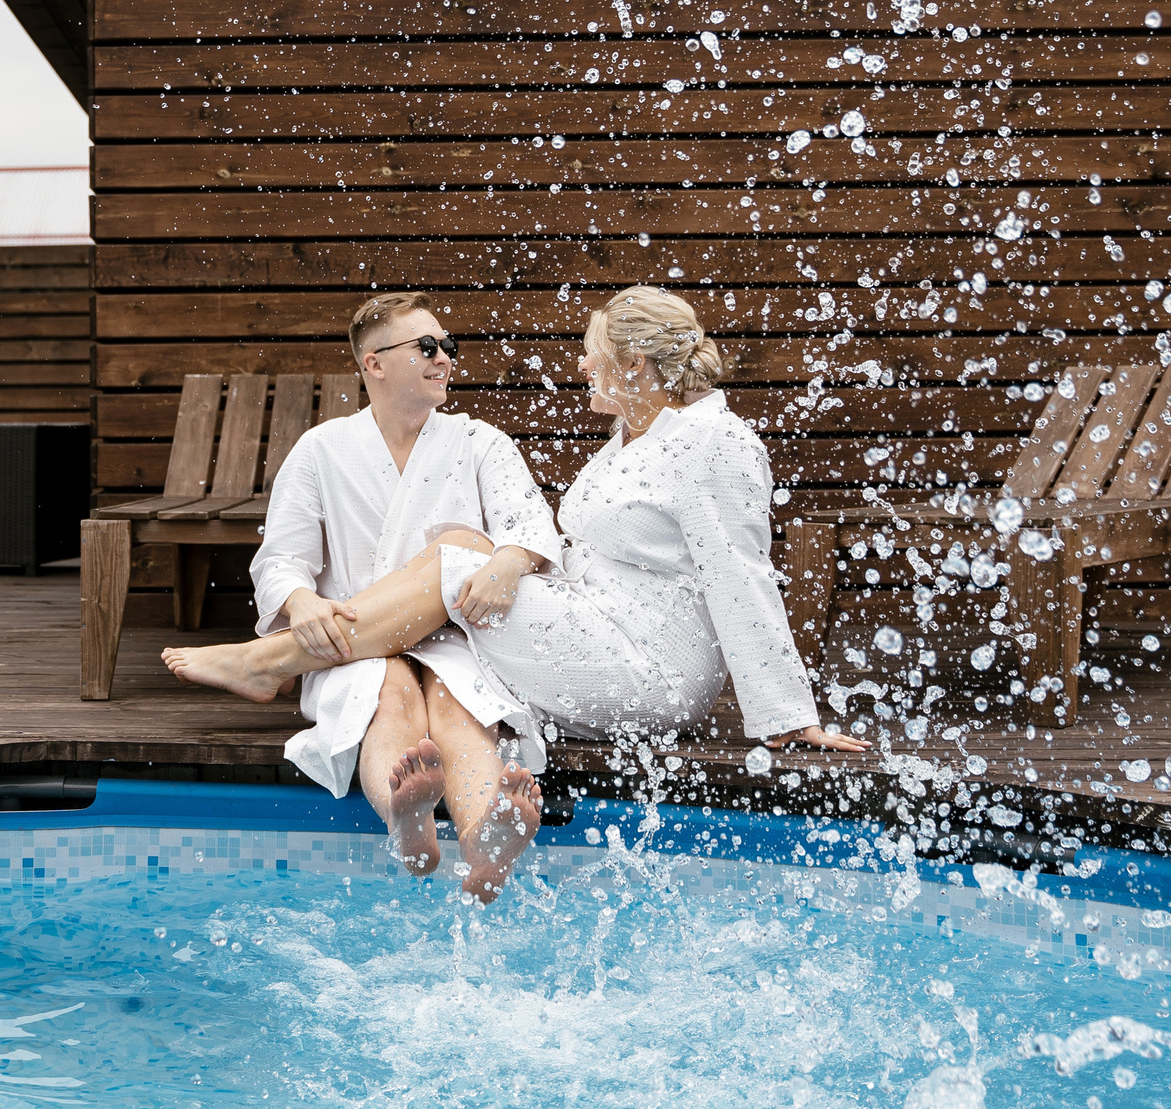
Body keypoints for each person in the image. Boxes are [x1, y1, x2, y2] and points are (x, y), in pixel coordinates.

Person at [164, 286, 866, 765]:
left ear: (635, 364)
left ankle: (270, 660)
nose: (581, 363)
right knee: (459, 548)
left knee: (455, 564)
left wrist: (787, 715)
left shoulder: (713, 442)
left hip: (652, 667)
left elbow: (740, 574)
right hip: (603, 629)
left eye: (593, 351)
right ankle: (316, 666)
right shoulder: (638, 434)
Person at [170, 292, 564, 902]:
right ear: (373, 363)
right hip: (348, 641)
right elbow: (281, 558)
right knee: (387, 694)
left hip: (456, 637)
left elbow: (530, 526)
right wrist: (300, 602)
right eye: (426, 347)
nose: (444, 358)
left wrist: (509, 561)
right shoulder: (321, 449)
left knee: (459, 708)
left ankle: (484, 842)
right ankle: (407, 819)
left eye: (448, 345)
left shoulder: (478, 442)